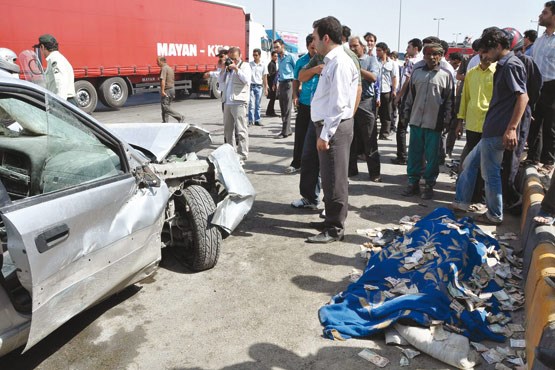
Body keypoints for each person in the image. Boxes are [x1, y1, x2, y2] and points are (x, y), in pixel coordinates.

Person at [453, 27, 529, 225]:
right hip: (491, 128)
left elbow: (523, 97)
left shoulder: (511, 65)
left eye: (485, 52)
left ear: (496, 46)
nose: (482, 56)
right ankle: (461, 202)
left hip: (498, 131)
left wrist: (512, 128)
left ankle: (494, 214)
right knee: (469, 162)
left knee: (490, 174)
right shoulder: (504, 65)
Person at [306, 16, 358, 244]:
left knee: (335, 179)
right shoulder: (332, 60)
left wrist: (325, 135)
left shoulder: (339, 62)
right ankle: (331, 218)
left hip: (333, 128)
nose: (313, 42)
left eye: (316, 37)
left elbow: (338, 103)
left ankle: (335, 228)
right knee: (329, 178)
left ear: (326, 38)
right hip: (330, 126)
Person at [402, 43, 454, 200]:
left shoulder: (446, 75)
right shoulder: (417, 72)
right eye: (427, 54)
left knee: (432, 157)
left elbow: (450, 101)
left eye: (434, 54)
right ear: (423, 55)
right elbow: (409, 97)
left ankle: (429, 185)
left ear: (441, 55)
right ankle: (413, 183)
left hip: (434, 124)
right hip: (416, 121)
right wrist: (405, 115)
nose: (431, 57)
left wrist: (447, 121)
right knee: (414, 154)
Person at [455, 53, 496, 204]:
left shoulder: (498, 72)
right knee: (468, 163)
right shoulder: (471, 73)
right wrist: (460, 121)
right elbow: (465, 98)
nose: (486, 56)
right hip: (472, 125)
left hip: (490, 125)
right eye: (483, 52)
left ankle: (481, 198)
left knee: (486, 165)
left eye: (488, 51)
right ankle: (467, 197)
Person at [348, 35, 381, 181]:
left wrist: (357, 67)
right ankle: (351, 170)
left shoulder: (370, 60)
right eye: (351, 46)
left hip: (366, 102)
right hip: (349, 102)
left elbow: (373, 77)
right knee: (350, 138)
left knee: (369, 139)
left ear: (363, 46)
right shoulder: (347, 61)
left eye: (355, 46)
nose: (353, 49)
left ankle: (374, 173)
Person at [527, 1, 555, 173]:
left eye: (545, 13)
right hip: (536, 86)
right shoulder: (539, 40)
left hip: (553, 86)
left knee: (550, 126)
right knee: (533, 123)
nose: (540, 15)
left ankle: (548, 162)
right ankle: (532, 158)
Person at [285, 34, 319, 175]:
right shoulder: (301, 61)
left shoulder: (325, 61)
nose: (314, 50)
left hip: (320, 105)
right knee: (300, 135)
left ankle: (319, 167)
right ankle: (296, 163)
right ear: (307, 47)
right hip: (305, 103)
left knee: (319, 136)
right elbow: (295, 80)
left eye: (316, 46)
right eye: (312, 47)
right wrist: (295, 96)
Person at [218, 47, 252, 163]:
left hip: (239, 102)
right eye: (230, 58)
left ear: (240, 56)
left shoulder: (245, 66)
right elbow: (220, 80)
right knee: (228, 130)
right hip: (227, 101)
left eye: (235, 58)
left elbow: (246, 80)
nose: (232, 60)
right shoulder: (228, 68)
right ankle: (230, 153)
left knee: (241, 130)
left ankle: (242, 155)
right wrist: (223, 69)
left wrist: (236, 68)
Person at [392, 38, 423, 165]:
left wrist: (399, 96)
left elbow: (407, 80)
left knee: (402, 128)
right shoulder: (421, 62)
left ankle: (402, 156)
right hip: (417, 100)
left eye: (409, 47)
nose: (406, 50)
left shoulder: (412, 62)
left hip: (407, 99)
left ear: (416, 49)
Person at [33, 34, 76, 103]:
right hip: (66, 100)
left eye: (40, 48)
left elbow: (60, 83)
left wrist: (59, 105)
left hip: (64, 101)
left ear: (42, 47)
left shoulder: (55, 60)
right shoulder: (57, 58)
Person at [274, 39, 297, 138]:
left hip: (289, 83)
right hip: (282, 83)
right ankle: (288, 130)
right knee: (283, 108)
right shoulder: (278, 57)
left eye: (277, 47)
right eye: (274, 47)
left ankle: (285, 132)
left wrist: (298, 84)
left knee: (287, 108)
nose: (275, 49)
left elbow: (297, 69)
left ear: (282, 46)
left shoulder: (290, 56)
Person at [375, 42, 398, 139]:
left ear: (384, 51)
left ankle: (384, 134)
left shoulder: (392, 63)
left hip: (386, 91)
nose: (377, 52)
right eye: (376, 50)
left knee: (387, 114)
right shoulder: (375, 61)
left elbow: (394, 77)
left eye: (379, 50)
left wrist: (394, 90)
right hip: (376, 92)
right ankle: (373, 133)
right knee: (374, 114)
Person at [156, 56, 185, 123]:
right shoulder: (170, 68)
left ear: (161, 61)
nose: (157, 63)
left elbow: (163, 80)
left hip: (167, 90)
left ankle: (180, 117)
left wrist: (162, 91)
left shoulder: (164, 69)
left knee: (165, 107)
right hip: (172, 89)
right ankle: (165, 122)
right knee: (166, 106)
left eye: (158, 62)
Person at [248, 48, 268, 126]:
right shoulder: (250, 64)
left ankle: (257, 120)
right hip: (251, 86)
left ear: (259, 55)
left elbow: (265, 77)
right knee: (251, 104)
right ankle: (250, 120)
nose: (255, 56)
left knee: (258, 104)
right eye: (253, 55)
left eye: (256, 55)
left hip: (259, 87)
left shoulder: (263, 65)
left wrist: (266, 88)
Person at [266, 51, 278, 117]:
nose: (276, 57)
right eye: (275, 56)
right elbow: (270, 74)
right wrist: (276, 72)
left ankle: (270, 111)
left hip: (274, 83)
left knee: (273, 98)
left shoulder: (274, 63)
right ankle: (270, 111)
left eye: (276, 56)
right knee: (272, 98)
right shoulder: (271, 64)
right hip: (271, 83)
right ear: (272, 56)